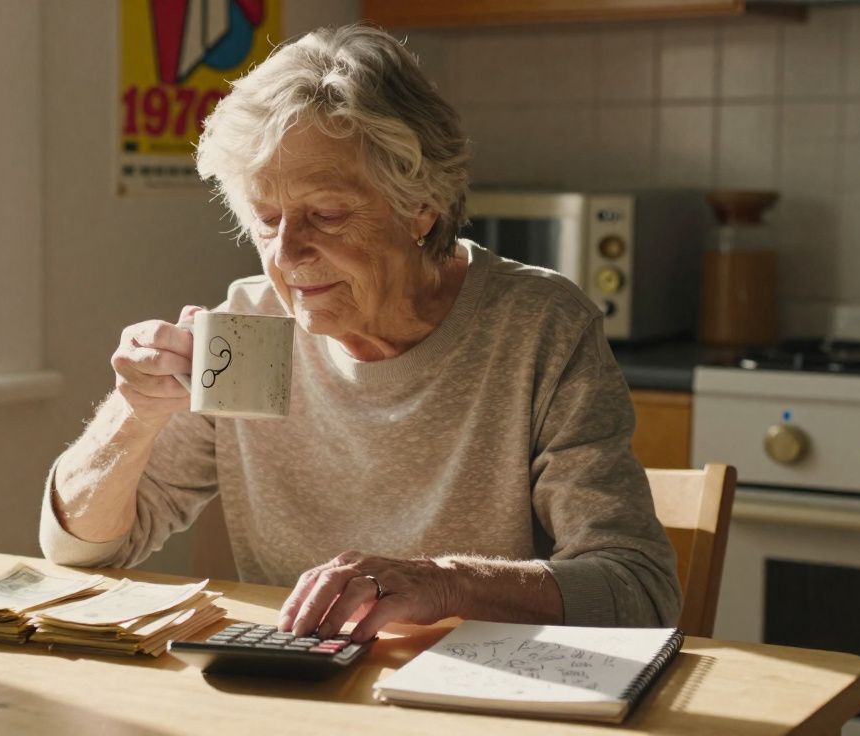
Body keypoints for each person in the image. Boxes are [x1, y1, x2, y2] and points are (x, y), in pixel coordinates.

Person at [40, 24, 680, 642]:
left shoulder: (539, 328)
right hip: (297, 696)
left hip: (483, 699)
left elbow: (639, 590)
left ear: (420, 206)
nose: (287, 252)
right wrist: (134, 412)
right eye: (267, 219)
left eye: (326, 214)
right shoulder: (249, 330)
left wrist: (446, 584)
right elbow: (83, 549)